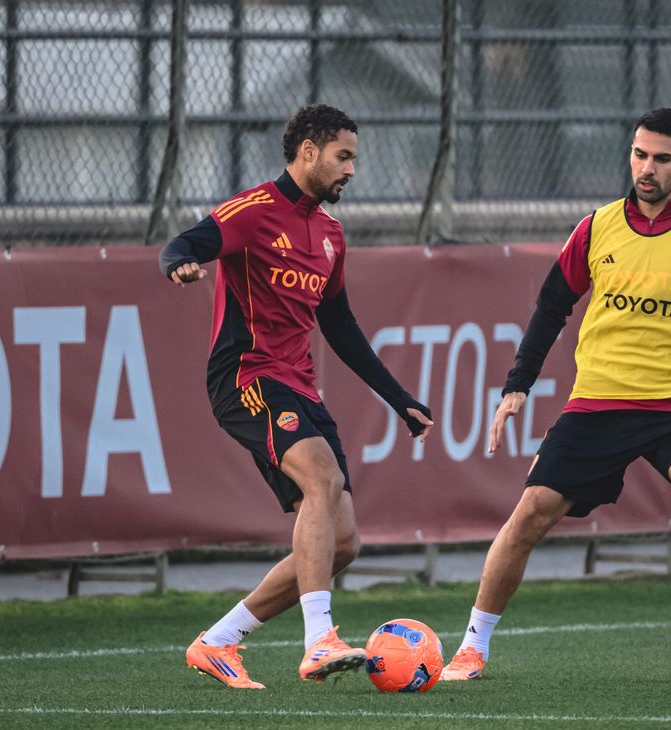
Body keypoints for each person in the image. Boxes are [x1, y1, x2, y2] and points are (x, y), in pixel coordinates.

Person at [440, 108, 671, 679]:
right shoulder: (597, 226)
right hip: (598, 403)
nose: (647, 168)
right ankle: (472, 647)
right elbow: (552, 305)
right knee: (528, 516)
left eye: (661, 158)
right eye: (639, 154)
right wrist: (517, 385)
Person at [158, 104, 434, 688]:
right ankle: (318, 640)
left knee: (343, 542)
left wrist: (397, 397)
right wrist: (180, 264)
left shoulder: (331, 235)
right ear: (308, 151)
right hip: (246, 376)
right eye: (343, 156)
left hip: (297, 384)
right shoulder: (254, 211)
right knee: (323, 479)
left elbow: (340, 326)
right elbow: (185, 242)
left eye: (353, 158)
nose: (351, 170)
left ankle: (219, 640)